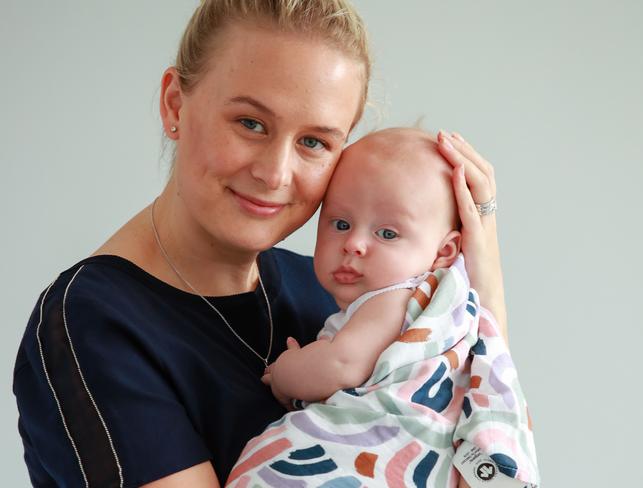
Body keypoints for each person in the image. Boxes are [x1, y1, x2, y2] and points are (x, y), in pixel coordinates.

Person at [12, 1, 510, 487]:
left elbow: (482, 445)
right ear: (174, 105)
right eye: (251, 124)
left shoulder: (328, 288)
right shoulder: (93, 323)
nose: (275, 173)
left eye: (313, 141)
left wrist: (480, 267)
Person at [225, 128, 538, 488]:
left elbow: (341, 364)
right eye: (340, 224)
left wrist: (286, 373)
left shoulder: (402, 296)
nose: (354, 244)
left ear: (445, 252)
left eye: (387, 234)